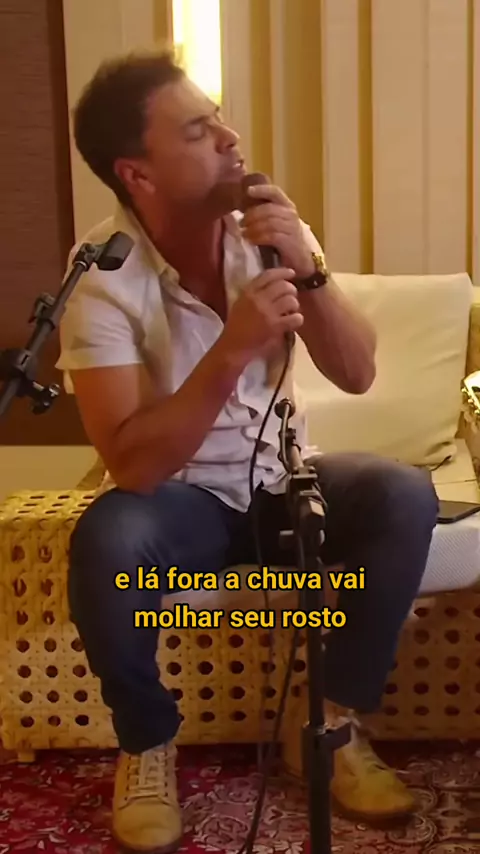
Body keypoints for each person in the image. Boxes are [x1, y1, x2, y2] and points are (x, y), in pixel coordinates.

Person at [57, 48, 439, 854]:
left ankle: (327, 728)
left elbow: (357, 372)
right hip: (181, 503)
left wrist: (310, 269)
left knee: (402, 493)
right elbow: (133, 466)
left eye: (220, 119)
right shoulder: (103, 277)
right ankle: (147, 743)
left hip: (280, 482)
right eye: (199, 131)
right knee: (109, 541)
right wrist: (230, 350)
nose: (231, 139)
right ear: (138, 174)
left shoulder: (265, 232)